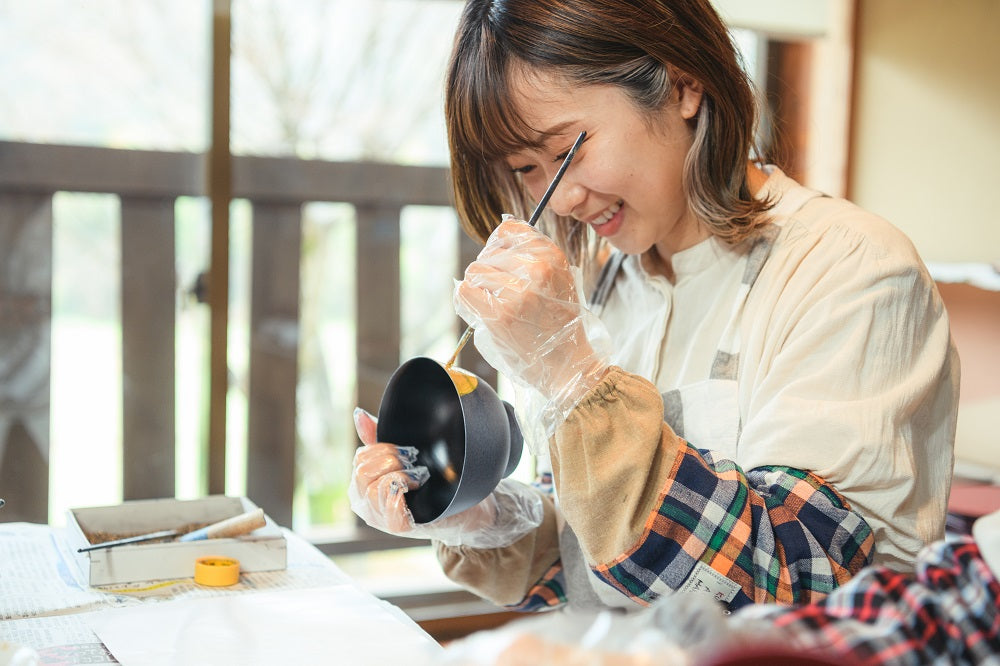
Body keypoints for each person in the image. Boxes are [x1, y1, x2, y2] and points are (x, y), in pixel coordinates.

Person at [350, 0, 959, 615]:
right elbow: (595, 562)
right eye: (525, 169)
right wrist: (480, 516)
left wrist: (573, 377)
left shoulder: (850, 268)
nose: (559, 202)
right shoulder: (606, 283)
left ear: (682, 85)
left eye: (566, 153)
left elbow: (807, 576)